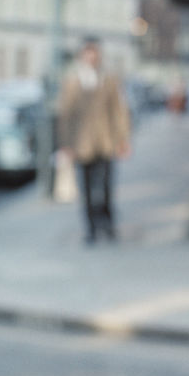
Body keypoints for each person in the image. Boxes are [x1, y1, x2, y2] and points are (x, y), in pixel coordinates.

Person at [57, 36, 131, 242]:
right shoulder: (72, 82)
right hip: (82, 145)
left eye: (95, 54)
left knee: (107, 186)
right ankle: (90, 228)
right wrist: (66, 145)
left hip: (106, 142)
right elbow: (65, 115)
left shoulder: (109, 79)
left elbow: (119, 111)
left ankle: (108, 224)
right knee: (87, 189)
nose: (92, 58)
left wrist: (123, 139)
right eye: (88, 54)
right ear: (83, 56)